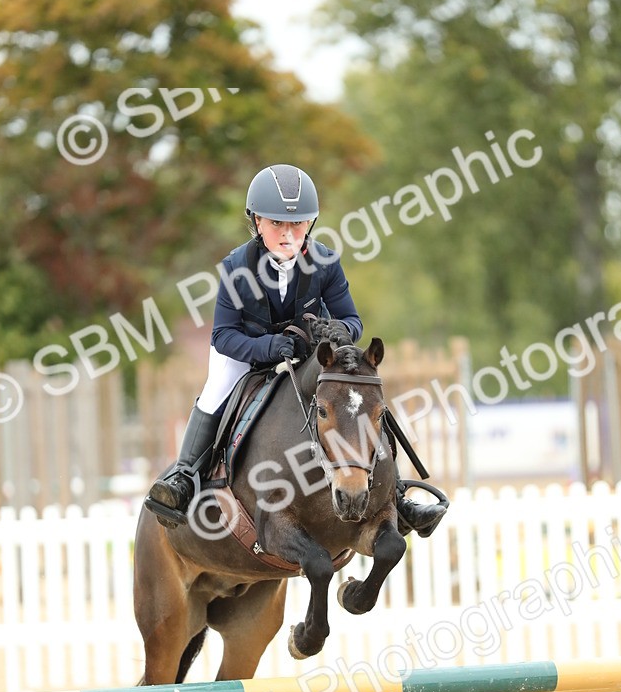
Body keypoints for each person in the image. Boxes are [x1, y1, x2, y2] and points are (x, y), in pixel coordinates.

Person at [145, 164, 447, 537]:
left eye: (298, 224)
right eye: (277, 224)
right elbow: (223, 336)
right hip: (245, 350)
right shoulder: (236, 267)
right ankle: (184, 476)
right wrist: (267, 347)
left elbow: (352, 319)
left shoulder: (325, 262)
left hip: (307, 350)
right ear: (257, 222)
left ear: (310, 224)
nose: (288, 234)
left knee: (357, 396)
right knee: (216, 389)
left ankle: (396, 495)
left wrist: (343, 330)